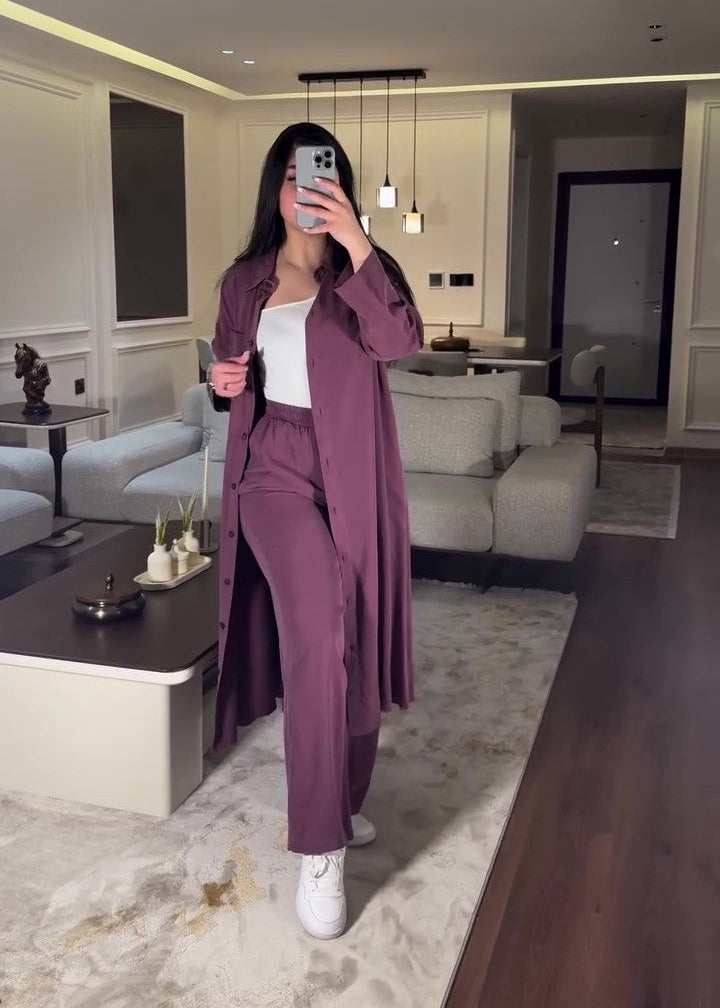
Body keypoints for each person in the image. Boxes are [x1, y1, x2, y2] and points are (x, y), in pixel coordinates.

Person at [207, 122, 423, 940]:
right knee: (319, 630)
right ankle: (320, 847)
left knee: (354, 633)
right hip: (274, 467)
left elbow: (400, 341)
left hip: (355, 472)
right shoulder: (245, 281)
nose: (307, 192)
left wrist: (357, 241)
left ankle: (344, 797)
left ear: (340, 186)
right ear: (276, 187)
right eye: (295, 178)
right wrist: (223, 380)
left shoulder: (365, 271)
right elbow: (230, 374)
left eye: (322, 177)